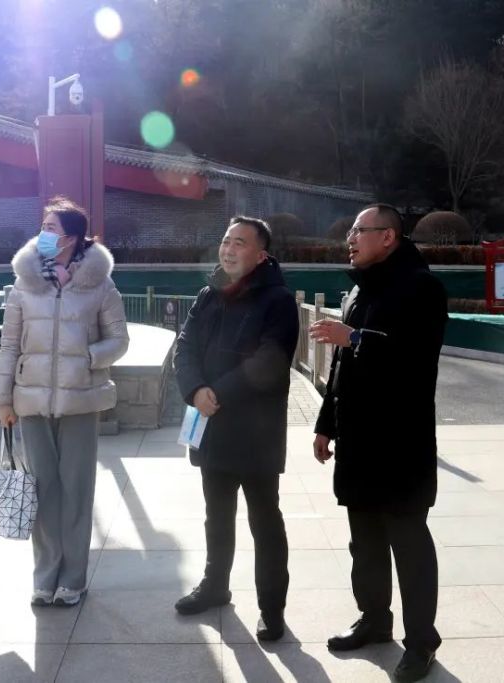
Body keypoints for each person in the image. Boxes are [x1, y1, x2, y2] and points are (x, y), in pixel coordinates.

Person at [310, 203, 447, 683]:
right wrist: (326, 423)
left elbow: (415, 358)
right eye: (350, 230)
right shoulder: (358, 289)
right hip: (358, 440)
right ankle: (374, 619)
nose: (350, 238)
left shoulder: (422, 287)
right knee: (364, 541)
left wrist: (355, 338)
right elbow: (342, 366)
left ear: (388, 236)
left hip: (400, 443)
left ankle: (421, 641)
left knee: (409, 545)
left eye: (359, 230)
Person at [0, 196, 129, 608]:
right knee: (43, 489)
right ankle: (45, 577)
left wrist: (87, 358)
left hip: (80, 402)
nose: (44, 235)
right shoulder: (24, 285)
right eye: (43, 227)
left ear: (71, 238)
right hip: (30, 402)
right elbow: (8, 345)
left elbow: (119, 340)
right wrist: (2, 399)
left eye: (51, 228)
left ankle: (73, 578)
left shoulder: (100, 285)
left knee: (77, 490)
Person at [173, 215, 299, 642]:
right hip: (210, 426)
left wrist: (217, 393)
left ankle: (272, 608)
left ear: (261, 255)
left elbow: (269, 361)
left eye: (239, 243)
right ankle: (215, 587)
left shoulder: (278, 300)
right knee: (217, 515)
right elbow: (185, 346)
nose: (228, 249)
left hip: (255, 433)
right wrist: (194, 389)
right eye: (226, 240)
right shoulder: (209, 294)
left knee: (265, 521)